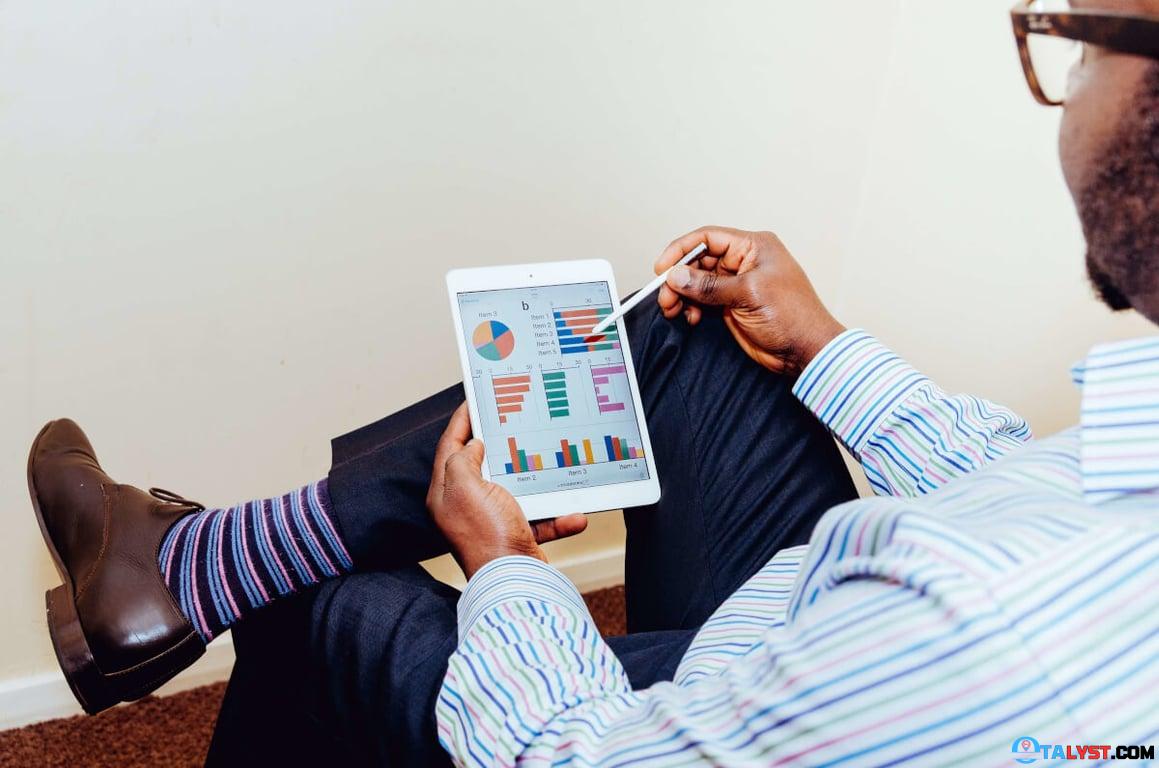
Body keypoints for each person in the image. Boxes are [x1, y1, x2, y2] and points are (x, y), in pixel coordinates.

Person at [25, 0, 1159, 764]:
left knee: (331, 603)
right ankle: (177, 569)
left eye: (1082, 38)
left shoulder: (1000, 636)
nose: (1069, 81)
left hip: (705, 712)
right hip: (818, 641)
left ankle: (202, 569)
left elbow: (576, 755)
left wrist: (507, 568)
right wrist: (823, 343)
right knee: (693, 332)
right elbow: (1033, 491)